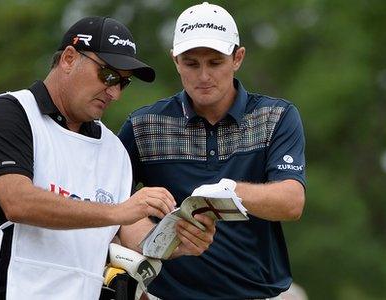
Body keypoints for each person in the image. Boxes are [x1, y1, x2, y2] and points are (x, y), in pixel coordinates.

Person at [0, 16, 216, 300]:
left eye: (123, 83)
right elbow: (17, 202)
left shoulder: (112, 149)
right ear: (68, 58)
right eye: (108, 76)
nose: (114, 92)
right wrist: (119, 210)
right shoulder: (10, 113)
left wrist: (176, 239)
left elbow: (132, 232)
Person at [118, 2, 306, 299]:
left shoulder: (276, 116)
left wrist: (226, 190)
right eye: (191, 63)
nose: (203, 76)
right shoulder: (143, 125)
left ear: (237, 58)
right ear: (175, 61)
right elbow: (116, 208)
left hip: (258, 293)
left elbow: (291, 201)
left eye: (215, 62)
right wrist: (153, 243)